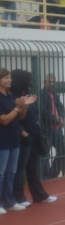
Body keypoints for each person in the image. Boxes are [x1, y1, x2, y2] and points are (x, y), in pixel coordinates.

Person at [10, 70, 56, 207]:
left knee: (33, 168)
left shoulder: (27, 96)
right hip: (24, 138)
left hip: (34, 136)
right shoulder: (14, 98)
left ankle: (39, 194)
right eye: (29, 80)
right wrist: (24, 133)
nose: (31, 83)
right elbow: (17, 119)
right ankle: (18, 196)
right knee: (20, 168)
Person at [1, 68, 37, 213]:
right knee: (1, 173)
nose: (9, 80)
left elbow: (20, 117)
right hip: (2, 140)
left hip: (14, 139)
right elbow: (4, 120)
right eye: (5, 77)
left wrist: (23, 106)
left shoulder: (10, 96)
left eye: (10, 77)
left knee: (11, 172)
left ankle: (9, 200)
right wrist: (17, 108)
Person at [40, 74, 65, 179]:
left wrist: (61, 118)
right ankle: (45, 176)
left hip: (57, 129)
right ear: (44, 82)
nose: (51, 84)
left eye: (53, 82)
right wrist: (55, 119)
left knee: (63, 150)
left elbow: (61, 108)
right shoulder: (41, 94)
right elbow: (43, 112)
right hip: (47, 129)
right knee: (45, 154)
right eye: (49, 82)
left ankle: (53, 172)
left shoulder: (55, 94)